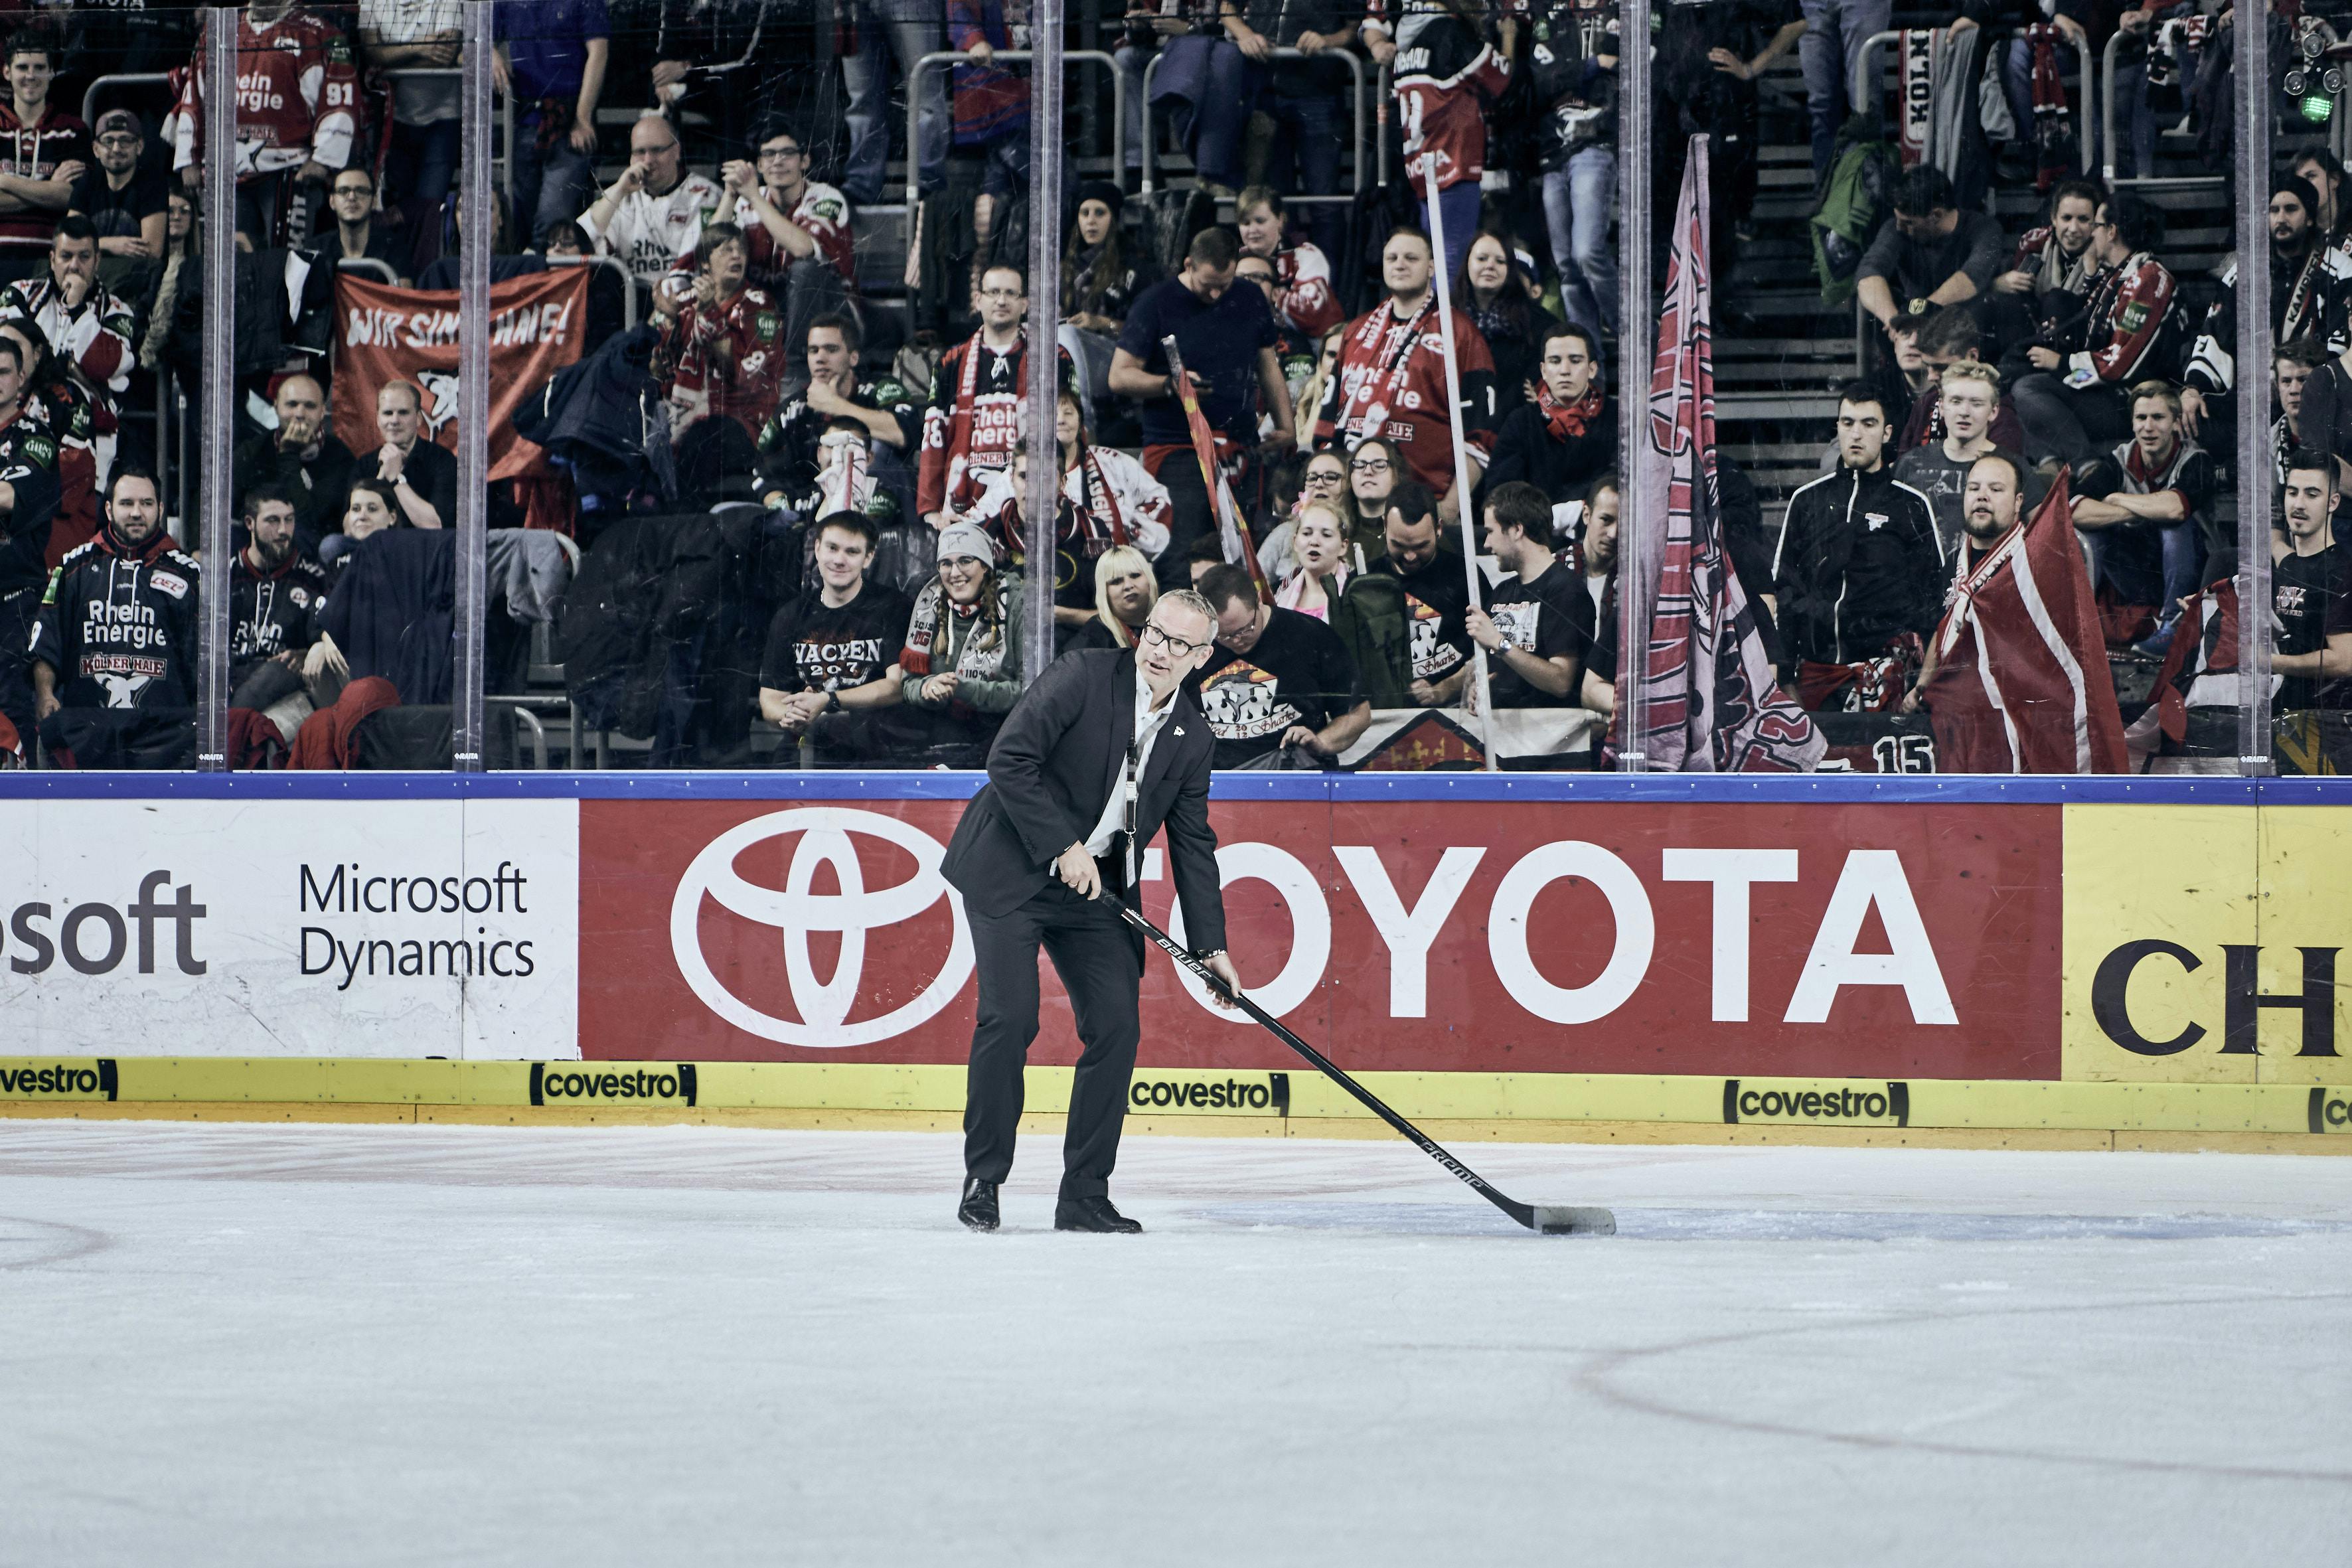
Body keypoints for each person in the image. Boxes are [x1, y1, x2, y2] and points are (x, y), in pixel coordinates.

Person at [941, 584, 1237, 1235]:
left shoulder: (1192, 736)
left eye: (1179, 644)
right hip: (1011, 864)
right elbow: (1009, 759)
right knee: (1010, 1016)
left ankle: (1083, 1194)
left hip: (1092, 889)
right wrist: (1061, 845)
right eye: (1155, 633)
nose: (1159, 650)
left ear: (1203, 655)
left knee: (1116, 1025)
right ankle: (984, 1177)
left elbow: (1193, 845)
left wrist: (1211, 948)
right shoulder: (1083, 676)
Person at [1111, 228, 1291, 573]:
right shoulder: (1156, 302)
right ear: (1188, 264)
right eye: (1206, 283)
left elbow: (1268, 365)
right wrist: (1170, 384)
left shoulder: (1250, 296)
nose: (1214, 293)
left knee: (1240, 555)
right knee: (1181, 555)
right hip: (1178, 448)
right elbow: (1119, 376)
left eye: (1223, 284)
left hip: (1240, 444)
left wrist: (1286, 424)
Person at [1772, 384, 1945, 693]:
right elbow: (1784, 592)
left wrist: (1922, 685)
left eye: (1869, 424)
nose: (1856, 434)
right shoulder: (1806, 500)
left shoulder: (1912, 504)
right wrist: (1785, 681)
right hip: (1816, 674)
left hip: (1889, 678)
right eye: (1848, 423)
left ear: (1887, 433)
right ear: (1837, 428)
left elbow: (1932, 601)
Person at [1316, 227, 1496, 520]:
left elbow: (1480, 436)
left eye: (1411, 257)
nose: (1400, 264)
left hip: (1426, 505)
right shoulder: (1356, 331)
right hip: (1352, 505)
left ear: (1431, 267)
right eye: (1393, 258)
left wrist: (1448, 509)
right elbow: (1326, 427)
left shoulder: (1460, 333)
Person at [2009, 193, 2180, 466]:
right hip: (2108, 391)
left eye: (2096, 226)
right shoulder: (2118, 273)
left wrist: (2063, 364)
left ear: (2111, 231)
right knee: (2021, 381)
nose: (2090, 234)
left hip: (2135, 399)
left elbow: (2121, 362)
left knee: (2029, 390)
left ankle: (2085, 464)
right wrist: (2090, 272)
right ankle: (2051, 465)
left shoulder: (2148, 279)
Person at [171, 3, 359, 248]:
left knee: (287, 261)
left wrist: (323, 159)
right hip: (226, 171)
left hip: (290, 172)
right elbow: (194, 95)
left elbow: (340, 101)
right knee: (230, 260)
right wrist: (189, 159)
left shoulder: (324, 35)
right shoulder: (217, 30)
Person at [2183, 176, 2352, 444]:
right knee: (2196, 414)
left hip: (2311, 390)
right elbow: (2215, 333)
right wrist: (2193, 388)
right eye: (2273, 211)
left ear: (2309, 218)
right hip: (2257, 395)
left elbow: (2342, 344)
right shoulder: (2243, 272)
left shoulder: (2339, 269)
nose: (2281, 218)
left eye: (2291, 209)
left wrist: (2298, 380)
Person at [29, 465, 197, 722]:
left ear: (161, 509)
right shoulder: (74, 567)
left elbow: (204, 665)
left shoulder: (189, 574)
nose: (136, 513)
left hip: (166, 733)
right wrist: (45, 694)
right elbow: (45, 644)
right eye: (126, 503)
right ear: (108, 509)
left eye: (147, 503)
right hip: (87, 725)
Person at [757, 510, 915, 763]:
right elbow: (770, 699)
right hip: (810, 739)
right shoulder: (790, 615)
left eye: (852, 552)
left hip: (874, 743)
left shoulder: (894, 607)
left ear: (868, 557)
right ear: (817, 549)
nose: (839, 560)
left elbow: (897, 687)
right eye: (832, 548)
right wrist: (790, 716)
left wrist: (828, 700)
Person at [921, 264, 1071, 524]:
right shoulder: (950, 362)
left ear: (1025, 304)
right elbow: (935, 437)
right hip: (964, 506)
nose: (1001, 301)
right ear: (978, 300)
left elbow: (1071, 435)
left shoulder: (1055, 358)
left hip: (1035, 502)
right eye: (993, 292)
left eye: (1011, 294)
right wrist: (930, 509)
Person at [2070, 380, 2214, 653]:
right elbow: (2074, 510)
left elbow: (2175, 508)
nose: (2148, 427)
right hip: (2135, 575)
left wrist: (2119, 499)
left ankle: (2173, 625)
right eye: (2141, 418)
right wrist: (2132, 511)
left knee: (2174, 527)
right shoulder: (2119, 459)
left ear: (2175, 423)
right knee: (2090, 532)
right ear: (2133, 423)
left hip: (2188, 576)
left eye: (2158, 418)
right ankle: (2080, 624)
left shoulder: (2195, 460)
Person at [1389, 0, 1518, 281]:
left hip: (1421, 167)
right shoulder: (1451, 31)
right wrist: (1509, 35)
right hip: (1453, 163)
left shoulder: (1406, 41)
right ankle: (1438, 325)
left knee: (1434, 260)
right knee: (1450, 265)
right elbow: (1501, 78)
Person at [1195, 560, 1370, 767]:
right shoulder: (1193, 646)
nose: (1236, 641)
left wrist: (1321, 742)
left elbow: (1358, 713)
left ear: (1259, 600)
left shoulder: (1309, 635)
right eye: (1222, 636)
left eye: (1245, 629)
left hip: (1292, 775)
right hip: (1215, 781)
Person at [0, 216, 134, 479]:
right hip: (17, 422)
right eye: (66, 256)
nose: (74, 266)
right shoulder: (19, 294)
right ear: (52, 260)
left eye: (84, 257)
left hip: (88, 433)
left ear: (97, 261)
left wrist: (76, 309)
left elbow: (105, 365)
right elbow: (5, 357)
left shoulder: (118, 311)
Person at [757, 313, 920, 520]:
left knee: (875, 450)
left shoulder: (882, 388)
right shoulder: (791, 410)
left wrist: (836, 406)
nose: (820, 357)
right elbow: (766, 479)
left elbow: (904, 434)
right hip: (812, 517)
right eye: (813, 350)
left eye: (831, 349)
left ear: (854, 357)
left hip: (882, 512)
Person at [720, 125, 854, 373]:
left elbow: (804, 249)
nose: (778, 161)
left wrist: (755, 198)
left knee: (805, 269)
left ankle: (797, 370)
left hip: (832, 312)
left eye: (788, 153)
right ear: (759, 165)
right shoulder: (748, 199)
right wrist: (730, 195)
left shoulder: (825, 197)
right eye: (769, 155)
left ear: (805, 161)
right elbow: (711, 251)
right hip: (777, 310)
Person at [898, 520, 1030, 763]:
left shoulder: (1017, 603)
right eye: (946, 564)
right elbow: (908, 685)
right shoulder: (928, 600)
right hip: (941, 728)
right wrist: (928, 688)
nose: (954, 573)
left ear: (986, 567)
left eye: (965, 561)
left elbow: (1028, 691)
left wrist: (962, 688)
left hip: (1002, 732)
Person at [1528, 0, 1619, 336]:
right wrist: (1594, 65)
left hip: (1596, 143)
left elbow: (1634, 70)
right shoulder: (1549, 15)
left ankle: (1635, 334)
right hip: (1553, 150)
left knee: (1586, 252)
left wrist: (1570, 71)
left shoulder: (1623, 11)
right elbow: (1540, 81)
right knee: (1566, 266)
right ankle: (1591, 377)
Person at [1465, 481, 1587, 711]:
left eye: (1491, 532)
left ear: (1517, 530)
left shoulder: (1566, 590)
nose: (1487, 544)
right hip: (1504, 737)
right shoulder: (1503, 592)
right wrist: (1477, 688)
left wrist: (1500, 643)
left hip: (1548, 739)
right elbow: (1492, 667)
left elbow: (1561, 681)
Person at [494, 0, 609, 241]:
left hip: (568, 122)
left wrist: (583, 117)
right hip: (524, 121)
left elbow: (599, 51)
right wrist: (490, 53)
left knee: (551, 223)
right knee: (520, 220)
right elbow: (476, 39)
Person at [1857, 168, 2008, 353]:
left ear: (1935, 215)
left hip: (1963, 327)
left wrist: (1920, 315)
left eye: (1909, 222)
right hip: (1913, 324)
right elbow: (1869, 273)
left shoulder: (1986, 229)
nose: (1899, 227)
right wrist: (1893, 320)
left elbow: (1973, 275)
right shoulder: (1897, 230)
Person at [577, 112, 727, 295]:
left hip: (683, 299)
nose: (648, 160)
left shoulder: (705, 195)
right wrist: (619, 191)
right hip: (629, 300)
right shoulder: (621, 192)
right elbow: (579, 240)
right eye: (640, 152)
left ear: (677, 151)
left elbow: (689, 269)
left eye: (657, 150)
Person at [0, 329, 63, 743]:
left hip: (14, 603)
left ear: (22, 377)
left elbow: (7, 497)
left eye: (2, 371)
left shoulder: (36, 439)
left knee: (14, 715)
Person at [1893, 360, 2023, 558]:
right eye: (1956, 401)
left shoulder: (2011, 467)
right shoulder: (1910, 464)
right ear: (1942, 406)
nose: (1965, 412)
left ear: (1994, 411)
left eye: (1976, 403)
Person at [1482, 323, 1612, 504]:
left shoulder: (1617, 418)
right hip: (1535, 529)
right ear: (1544, 370)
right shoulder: (1521, 422)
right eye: (1555, 361)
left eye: (1575, 361)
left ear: (1592, 369)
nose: (1565, 371)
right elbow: (1499, 493)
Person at [1061, 181, 1159, 420]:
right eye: (1085, 213)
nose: (1091, 221)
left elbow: (1150, 333)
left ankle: (1087, 424)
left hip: (1118, 359)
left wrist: (1102, 323)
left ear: (1113, 219)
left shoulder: (1136, 267)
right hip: (1068, 358)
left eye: (1100, 213)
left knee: (1069, 336)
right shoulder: (1064, 268)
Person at [1370, 481, 1474, 705]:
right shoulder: (1364, 581)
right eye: (1398, 545)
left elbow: (1489, 651)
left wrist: (1444, 689)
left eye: (1420, 546)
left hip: (1454, 708)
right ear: (1384, 527)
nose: (1410, 556)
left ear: (1438, 528)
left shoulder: (1467, 577)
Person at [838, 0, 948, 208]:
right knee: (862, 100)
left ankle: (928, 183)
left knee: (924, 93)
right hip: (853, 6)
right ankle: (861, 184)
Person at [228, 485, 329, 711]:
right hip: (230, 679)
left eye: (289, 520)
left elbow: (324, 638)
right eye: (273, 521)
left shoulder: (313, 577)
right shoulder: (225, 575)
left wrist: (308, 652)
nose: (283, 530)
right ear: (249, 524)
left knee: (277, 670)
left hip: (283, 687)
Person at [360, 0, 464, 208]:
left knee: (429, 206)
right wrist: (419, 48)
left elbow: (445, 54)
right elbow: (371, 51)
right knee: (400, 209)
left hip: (442, 117)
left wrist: (392, 58)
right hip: (395, 118)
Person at [232, 374, 357, 548]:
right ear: (276, 407)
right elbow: (212, 497)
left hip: (310, 549)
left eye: (310, 406)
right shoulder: (253, 450)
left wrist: (289, 454)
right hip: (257, 545)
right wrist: (197, 548)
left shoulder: (340, 457)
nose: (300, 414)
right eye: (291, 405)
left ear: (322, 412)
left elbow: (305, 519)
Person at [2272, 450, 2352, 714]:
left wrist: (2273, 663)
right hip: (2282, 708)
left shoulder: (2342, 571)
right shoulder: (2289, 564)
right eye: (2293, 492)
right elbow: (2275, 545)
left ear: (2333, 502)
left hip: (2325, 720)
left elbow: (2345, 660)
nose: (2299, 504)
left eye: (2312, 494)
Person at [0, 33, 87, 276]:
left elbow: (71, 198)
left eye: (40, 67)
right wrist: (48, 188)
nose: (31, 76)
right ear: (7, 72)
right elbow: (57, 194)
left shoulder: (73, 130)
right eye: (22, 67)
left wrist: (5, 182)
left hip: (50, 262)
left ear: (51, 73)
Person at [1986, 179, 2102, 359]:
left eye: (2083, 220)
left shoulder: (2104, 251)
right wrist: (1998, 283)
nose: (2073, 228)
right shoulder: (2034, 243)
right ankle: (2014, 362)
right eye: (2067, 218)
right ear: (2054, 219)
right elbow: (2021, 300)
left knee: (2057, 299)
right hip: (2035, 325)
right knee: (2006, 302)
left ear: (2096, 223)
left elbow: (2098, 309)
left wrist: (2092, 269)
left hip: (2078, 335)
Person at [1456, 231, 1560, 418]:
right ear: (1467, 264)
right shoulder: (1445, 317)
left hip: (1510, 430)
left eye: (1500, 261)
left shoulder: (1540, 325)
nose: (1490, 266)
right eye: (1481, 258)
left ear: (1510, 270)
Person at [66, 109, 168, 293]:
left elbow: (152, 251)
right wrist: (111, 244)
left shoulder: (152, 184)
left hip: (136, 285)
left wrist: (91, 246)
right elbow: (70, 241)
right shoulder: (87, 183)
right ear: (96, 149)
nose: (116, 149)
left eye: (125, 140)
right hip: (91, 281)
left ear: (139, 146)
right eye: (108, 141)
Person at [1235, 187, 1342, 342]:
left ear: (1280, 220)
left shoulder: (1306, 254)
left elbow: (1311, 311)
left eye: (1260, 221)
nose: (1252, 230)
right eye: (1245, 223)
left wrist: (1269, 299)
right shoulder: (1233, 258)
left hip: (1309, 340)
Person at [362, 380, 457, 532]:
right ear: (378, 420)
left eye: (403, 413)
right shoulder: (364, 464)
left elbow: (435, 526)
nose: (394, 421)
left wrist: (396, 479)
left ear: (419, 418)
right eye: (388, 413)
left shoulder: (443, 461)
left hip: (422, 550)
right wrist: (382, 476)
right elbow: (351, 528)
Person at [1255, 447, 1352, 585]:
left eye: (1331, 477)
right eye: (1312, 478)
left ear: (1349, 484)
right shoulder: (1284, 534)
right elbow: (1255, 585)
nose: (1319, 484)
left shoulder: (1360, 536)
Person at [1272, 497, 1354, 619]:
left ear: (1343, 546)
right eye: (1307, 533)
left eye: (1326, 535)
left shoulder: (1355, 593)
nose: (1314, 541)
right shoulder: (1282, 591)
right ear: (1295, 542)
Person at [321, 167, 408, 278]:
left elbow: (402, 293)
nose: (352, 197)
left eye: (361, 191)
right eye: (343, 191)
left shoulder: (395, 249)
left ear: (374, 201)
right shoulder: (315, 249)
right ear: (332, 201)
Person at [1069, 544, 1158, 651]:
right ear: (1105, 592)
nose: (1128, 585)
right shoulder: (1093, 636)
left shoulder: (1172, 621)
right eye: (1116, 581)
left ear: (1150, 579)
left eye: (1135, 576)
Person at [2272, 339, 2327, 487]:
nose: (2294, 390)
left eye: (2303, 380)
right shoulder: (2263, 446)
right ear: (2277, 386)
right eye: (2286, 381)